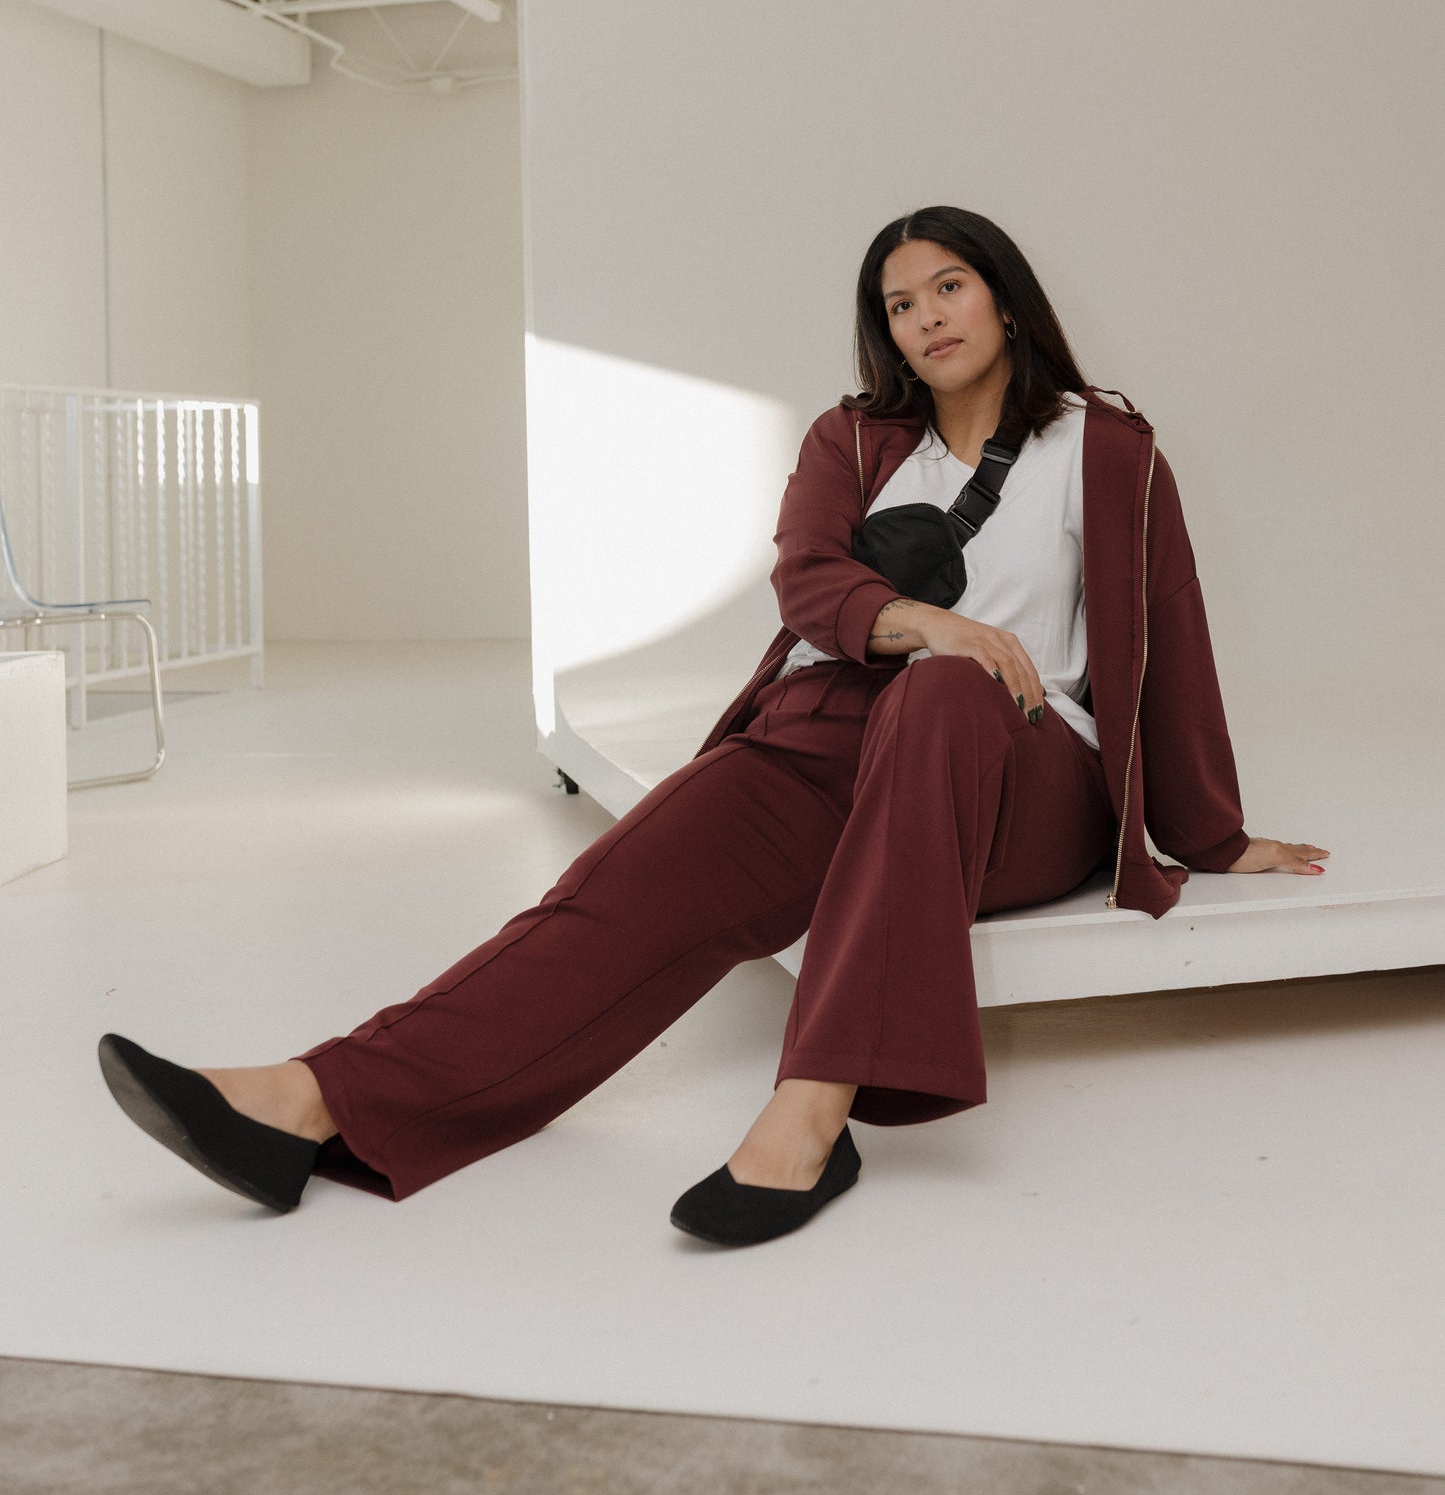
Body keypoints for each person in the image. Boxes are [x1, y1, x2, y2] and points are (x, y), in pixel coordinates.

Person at [98, 205, 1328, 1247]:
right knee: (624, 879)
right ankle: (313, 1100)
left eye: (948, 285)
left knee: (952, 695)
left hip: (1020, 769)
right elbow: (807, 582)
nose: (925, 317)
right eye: (898, 303)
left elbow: (1170, 632)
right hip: (836, 725)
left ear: (1003, 297)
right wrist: (922, 622)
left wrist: (1208, 834)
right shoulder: (849, 438)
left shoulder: (1105, 450)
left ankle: (809, 1111)